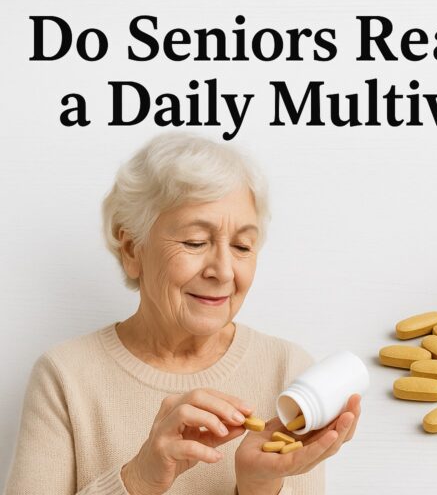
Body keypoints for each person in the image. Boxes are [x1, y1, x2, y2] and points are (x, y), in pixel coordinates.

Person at [3, 133, 361, 495]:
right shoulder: (64, 377)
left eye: (242, 246)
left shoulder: (289, 374)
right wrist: (138, 480)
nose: (223, 271)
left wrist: (258, 486)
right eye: (195, 242)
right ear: (132, 250)